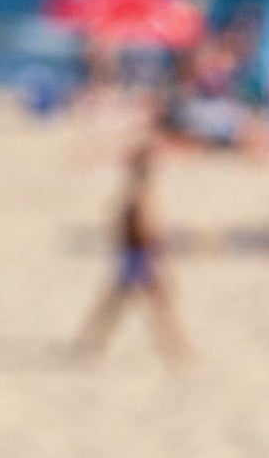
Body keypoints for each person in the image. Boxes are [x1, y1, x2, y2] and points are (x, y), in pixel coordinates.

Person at [74, 140, 189, 363]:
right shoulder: (140, 192)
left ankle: (90, 343)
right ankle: (176, 349)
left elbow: (122, 223)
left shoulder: (132, 190)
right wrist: (159, 250)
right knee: (157, 305)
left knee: (118, 304)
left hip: (134, 254)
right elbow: (145, 227)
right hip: (140, 255)